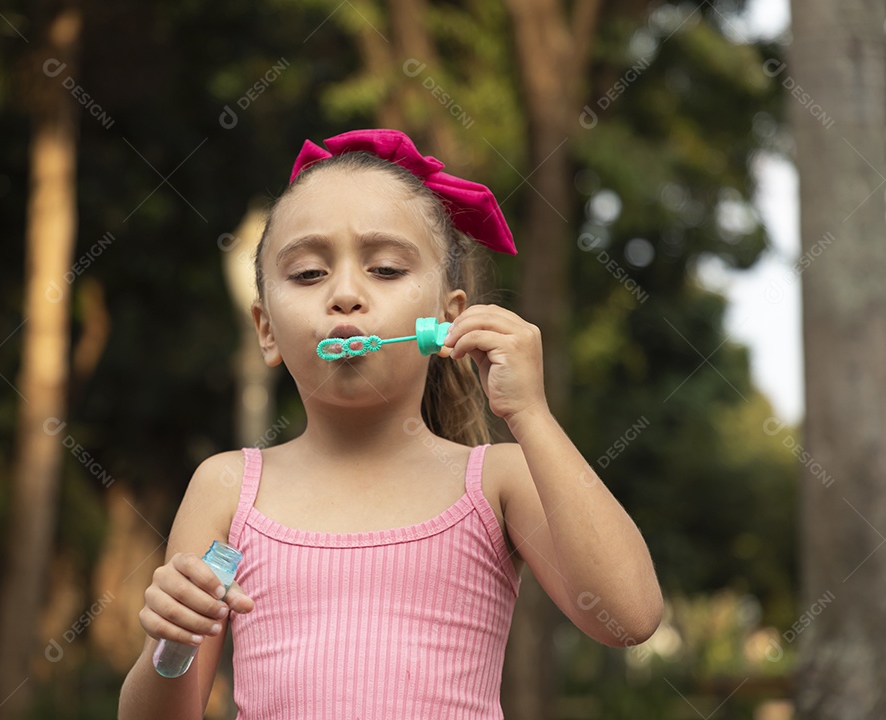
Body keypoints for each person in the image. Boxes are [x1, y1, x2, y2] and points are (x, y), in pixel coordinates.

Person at [119, 129, 663, 719]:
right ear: (267, 330)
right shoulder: (226, 488)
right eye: (307, 274)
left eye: (383, 268)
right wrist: (170, 644)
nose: (346, 295)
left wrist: (531, 415)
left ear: (447, 319)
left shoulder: (495, 480)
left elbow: (629, 616)